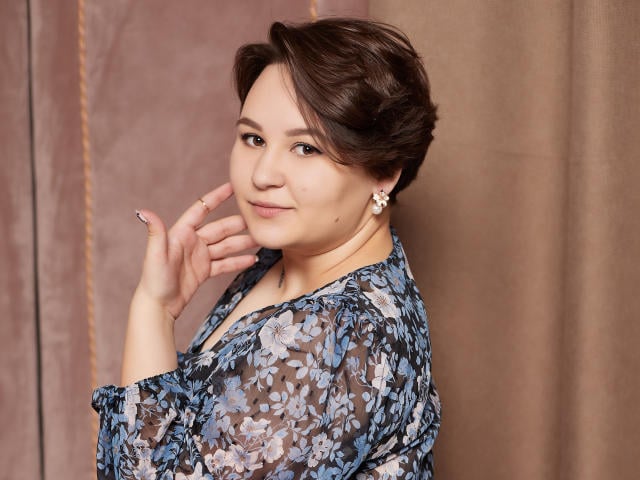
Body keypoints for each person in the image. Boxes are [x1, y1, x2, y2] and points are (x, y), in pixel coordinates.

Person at [92, 17, 441, 479]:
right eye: (253, 139)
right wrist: (157, 305)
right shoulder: (284, 261)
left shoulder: (343, 333)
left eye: (306, 148)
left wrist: (152, 311)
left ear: (385, 173)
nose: (262, 174)